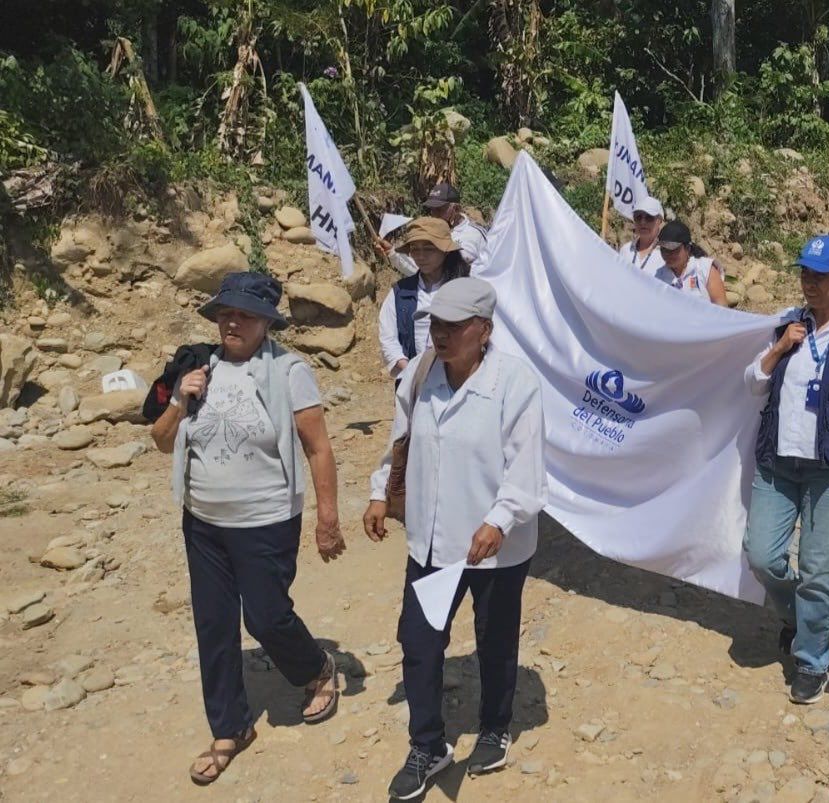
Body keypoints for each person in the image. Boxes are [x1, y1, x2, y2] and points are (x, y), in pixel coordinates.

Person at [150, 272, 346, 785]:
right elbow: (161, 441)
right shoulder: (197, 364)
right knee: (214, 627)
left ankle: (316, 669)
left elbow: (318, 447)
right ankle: (229, 729)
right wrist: (178, 401)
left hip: (265, 520)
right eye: (226, 313)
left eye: (246, 315)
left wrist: (328, 517)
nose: (233, 321)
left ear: (266, 323)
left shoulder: (288, 371)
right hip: (204, 522)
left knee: (266, 617)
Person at [365, 277, 547, 798]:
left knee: (494, 638)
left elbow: (526, 467)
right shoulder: (420, 376)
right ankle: (428, 746)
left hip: (497, 547)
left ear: (483, 331)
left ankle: (494, 726)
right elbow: (397, 442)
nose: (440, 335)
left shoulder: (515, 383)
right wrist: (381, 493)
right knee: (420, 643)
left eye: (453, 326)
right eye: (435, 325)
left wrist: (499, 519)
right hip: (433, 543)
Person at [742, 234, 829, 705]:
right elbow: (753, 383)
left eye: (820, 276)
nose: (810, 283)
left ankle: (812, 660)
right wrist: (781, 346)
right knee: (762, 555)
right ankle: (797, 616)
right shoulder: (788, 325)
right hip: (779, 465)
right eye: (805, 273)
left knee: (819, 571)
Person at [378, 217, 471, 380]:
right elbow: (388, 338)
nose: (420, 256)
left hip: (460, 381)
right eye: (415, 249)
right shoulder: (400, 292)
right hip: (412, 381)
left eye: (429, 249)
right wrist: (411, 372)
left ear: (445, 250)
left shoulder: (466, 289)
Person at [381, 182, 489, 275]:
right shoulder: (432, 234)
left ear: (456, 208)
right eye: (432, 210)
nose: (434, 215)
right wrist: (392, 252)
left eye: (439, 210)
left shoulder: (474, 235)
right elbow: (423, 269)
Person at [651, 220, 729, 305]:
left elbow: (722, 309)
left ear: (687, 248)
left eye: (673, 249)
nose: (668, 254)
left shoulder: (705, 270)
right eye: (664, 249)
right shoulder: (659, 276)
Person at [617, 196, 667, 274]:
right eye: (638, 217)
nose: (642, 222)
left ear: (659, 221)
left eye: (649, 217)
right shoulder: (625, 250)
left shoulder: (667, 255)